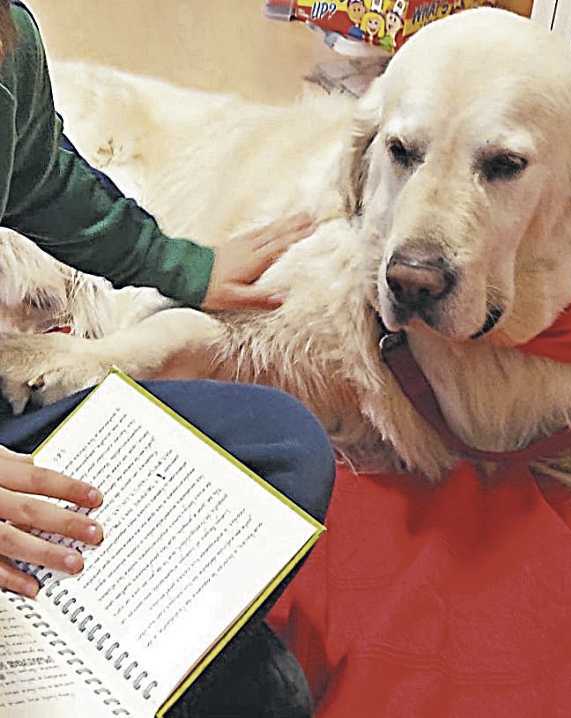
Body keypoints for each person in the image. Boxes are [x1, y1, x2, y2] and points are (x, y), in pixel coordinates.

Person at [0, 3, 335, 717]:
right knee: (271, 698)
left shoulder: (8, 39)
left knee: (285, 448)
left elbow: (42, 178)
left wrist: (185, 266)